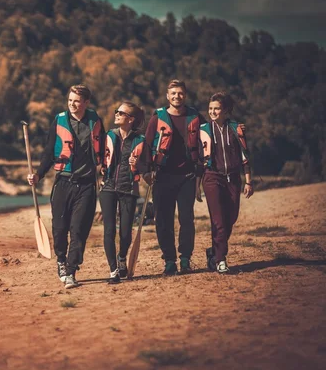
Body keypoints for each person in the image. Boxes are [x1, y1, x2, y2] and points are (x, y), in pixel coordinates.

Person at [27, 84, 105, 289]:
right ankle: (61, 260)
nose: (72, 104)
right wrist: (38, 174)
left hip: (87, 184)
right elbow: (48, 153)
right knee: (60, 229)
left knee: (79, 230)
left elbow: (104, 150)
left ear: (86, 103)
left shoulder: (95, 121)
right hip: (63, 182)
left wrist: (107, 172)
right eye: (70, 100)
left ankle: (70, 270)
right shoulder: (59, 120)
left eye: (77, 101)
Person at [142, 79, 206, 275]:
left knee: (187, 219)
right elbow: (146, 145)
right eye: (173, 93)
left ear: (184, 95)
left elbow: (207, 140)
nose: (177, 96)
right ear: (167, 96)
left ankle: (185, 258)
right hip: (162, 176)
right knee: (163, 220)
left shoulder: (195, 116)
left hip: (187, 175)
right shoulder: (157, 118)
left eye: (180, 93)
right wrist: (146, 171)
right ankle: (169, 260)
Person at [198, 92, 254, 273]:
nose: (213, 112)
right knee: (219, 222)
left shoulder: (236, 129)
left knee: (231, 219)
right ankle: (221, 260)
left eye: (217, 108)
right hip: (212, 177)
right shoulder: (203, 130)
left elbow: (245, 156)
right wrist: (197, 185)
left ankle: (214, 252)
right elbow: (198, 159)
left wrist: (248, 181)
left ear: (226, 110)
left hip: (233, 178)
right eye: (210, 108)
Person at [99, 101, 145, 284]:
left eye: (120, 112)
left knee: (125, 233)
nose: (116, 114)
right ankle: (113, 270)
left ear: (130, 119)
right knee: (109, 230)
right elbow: (99, 158)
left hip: (129, 189)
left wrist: (138, 165)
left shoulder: (140, 140)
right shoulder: (108, 136)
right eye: (116, 112)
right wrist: (101, 168)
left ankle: (122, 256)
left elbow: (147, 167)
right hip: (108, 188)